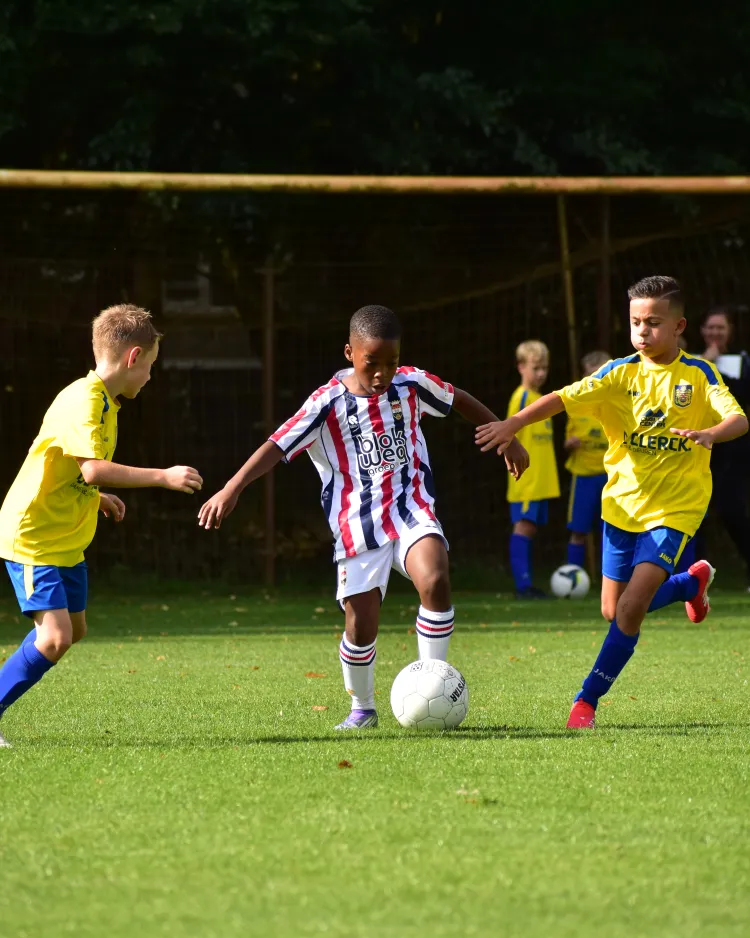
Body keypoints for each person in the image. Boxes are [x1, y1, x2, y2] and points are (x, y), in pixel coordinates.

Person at [198, 304, 528, 730]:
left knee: (436, 578)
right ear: (349, 352)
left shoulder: (411, 384)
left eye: (390, 363)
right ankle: (363, 708)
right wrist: (232, 488)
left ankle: (433, 684)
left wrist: (506, 435)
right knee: (361, 622)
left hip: (411, 508)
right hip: (356, 524)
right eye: (372, 363)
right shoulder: (325, 403)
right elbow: (277, 446)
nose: (382, 374)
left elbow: (457, 398)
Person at [476, 276, 748, 728]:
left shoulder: (698, 375)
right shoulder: (617, 374)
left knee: (628, 609)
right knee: (612, 608)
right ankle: (689, 586)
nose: (642, 331)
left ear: (679, 326)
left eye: (654, 323)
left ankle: (586, 701)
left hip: (676, 510)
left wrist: (710, 434)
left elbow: (738, 418)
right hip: (620, 507)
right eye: (636, 322)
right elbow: (562, 398)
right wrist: (514, 423)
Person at [0, 305, 203, 748]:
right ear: (133, 358)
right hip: (34, 535)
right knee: (54, 639)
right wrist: (163, 476)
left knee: (74, 629)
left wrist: (97, 497)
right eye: (150, 366)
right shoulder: (85, 399)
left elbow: (77, 470)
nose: (150, 376)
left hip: (65, 535)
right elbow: (92, 468)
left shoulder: (105, 402)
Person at [700, 306, 750, 589]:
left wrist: (715, 368)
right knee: (696, 516)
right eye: (710, 327)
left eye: (721, 327)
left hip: (734, 450)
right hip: (698, 448)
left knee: (733, 512)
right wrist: (706, 363)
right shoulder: (690, 360)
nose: (715, 333)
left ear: (730, 331)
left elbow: (742, 394)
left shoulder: (741, 361)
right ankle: (693, 577)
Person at [506, 340, 560, 598]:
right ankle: (522, 586)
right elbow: (507, 433)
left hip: (542, 480)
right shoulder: (522, 397)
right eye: (536, 367)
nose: (541, 373)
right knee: (523, 527)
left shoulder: (540, 399)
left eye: (544, 368)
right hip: (527, 480)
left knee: (530, 528)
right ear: (521, 367)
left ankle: (526, 583)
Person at [563, 350, 610, 569]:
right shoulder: (576, 405)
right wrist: (570, 443)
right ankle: (573, 574)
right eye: (591, 376)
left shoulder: (616, 406)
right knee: (578, 530)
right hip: (583, 477)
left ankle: (610, 578)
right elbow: (565, 443)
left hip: (611, 478)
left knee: (611, 533)